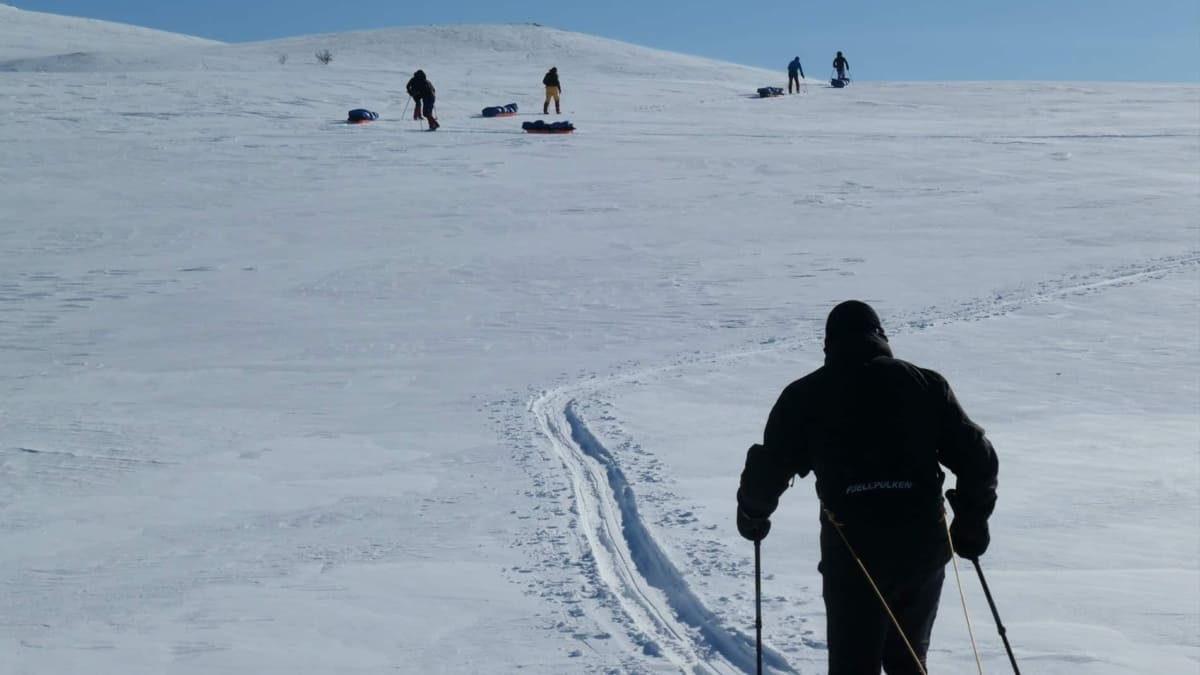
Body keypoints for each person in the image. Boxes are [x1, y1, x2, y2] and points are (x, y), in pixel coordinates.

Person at [736, 300, 998, 675]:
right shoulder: (924, 384)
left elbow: (769, 468)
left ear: (828, 344)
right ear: (881, 335)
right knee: (909, 660)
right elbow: (978, 458)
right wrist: (972, 521)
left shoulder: (805, 395)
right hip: (921, 543)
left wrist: (753, 513)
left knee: (853, 665)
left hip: (851, 549)